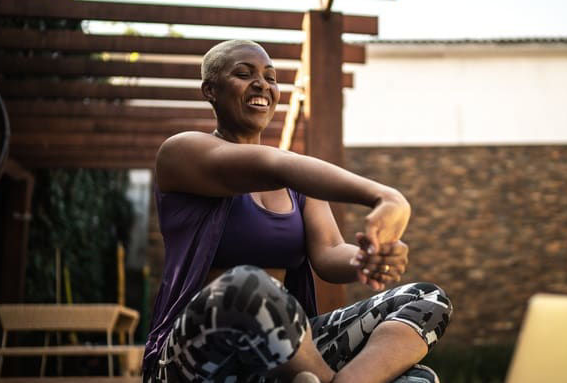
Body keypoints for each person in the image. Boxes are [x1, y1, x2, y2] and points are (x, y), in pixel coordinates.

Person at [142, 40, 452, 383]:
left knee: (426, 303)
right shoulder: (181, 153)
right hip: (194, 357)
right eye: (244, 74)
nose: (262, 84)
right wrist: (388, 197)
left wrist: (369, 256)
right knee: (247, 283)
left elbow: (331, 252)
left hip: (283, 357)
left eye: (271, 78)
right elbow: (274, 164)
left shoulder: (296, 183)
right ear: (210, 90)